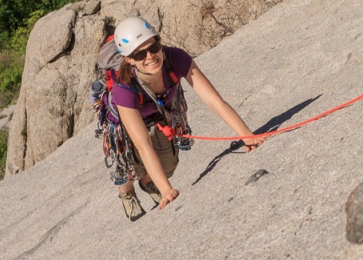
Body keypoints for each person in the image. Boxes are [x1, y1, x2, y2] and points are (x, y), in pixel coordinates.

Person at [111, 16, 262, 220]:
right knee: (128, 162)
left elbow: (214, 101)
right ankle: (127, 191)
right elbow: (143, 145)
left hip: (159, 107)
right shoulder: (124, 88)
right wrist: (166, 190)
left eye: (154, 47)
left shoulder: (176, 59)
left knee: (168, 165)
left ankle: (147, 181)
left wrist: (246, 135)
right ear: (129, 59)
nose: (150, 56)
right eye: (140, 54)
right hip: (123, 118)